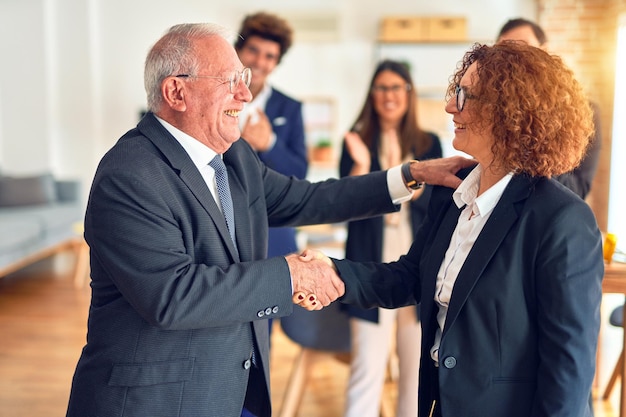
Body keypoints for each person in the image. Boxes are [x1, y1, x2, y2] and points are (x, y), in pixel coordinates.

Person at [64, 23, 474, 417]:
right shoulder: (130, 174)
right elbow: (172, 295)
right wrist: (291, 275)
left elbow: (309, 198)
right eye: (230, 80)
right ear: (177, 91)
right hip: (158, 400)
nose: (245, 94)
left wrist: (410, 175)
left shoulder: (236, 157)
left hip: (235, 387)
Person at [298, 41, 604, 417]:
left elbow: (568, 368)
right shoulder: (453, 190)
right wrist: (335, 272)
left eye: (465, 96)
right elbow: (410, 277)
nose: (449, 106)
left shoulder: (562, 219)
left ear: (509, 112)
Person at [339, 59, 442, 417]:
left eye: (396, 87)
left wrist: (406, 182)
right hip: (370, 266)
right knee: (366, 368)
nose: (389, 95)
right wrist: (361, 163)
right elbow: (344, 200)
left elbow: (436, 202)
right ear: (372, 94)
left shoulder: (430, 143)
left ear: (408, 93)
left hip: (417, 267)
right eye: (381, 87)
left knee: (416, 374)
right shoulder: (355, 141)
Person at [234, 12, 308, 340]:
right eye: (253, 51)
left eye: (270, 56)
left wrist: (270, 143)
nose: (260, 62)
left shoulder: (289, 108)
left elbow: (299, 171)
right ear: (239, 50)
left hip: (270, 228)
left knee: (263, 323)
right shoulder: (214, 97)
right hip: (220, 222)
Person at [497, 17, 601, 200]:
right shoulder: (493, 108)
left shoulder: (584, 111)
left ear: (544, 50)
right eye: (506, 49)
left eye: (524, 45)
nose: (516, 56)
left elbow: (578, 189)